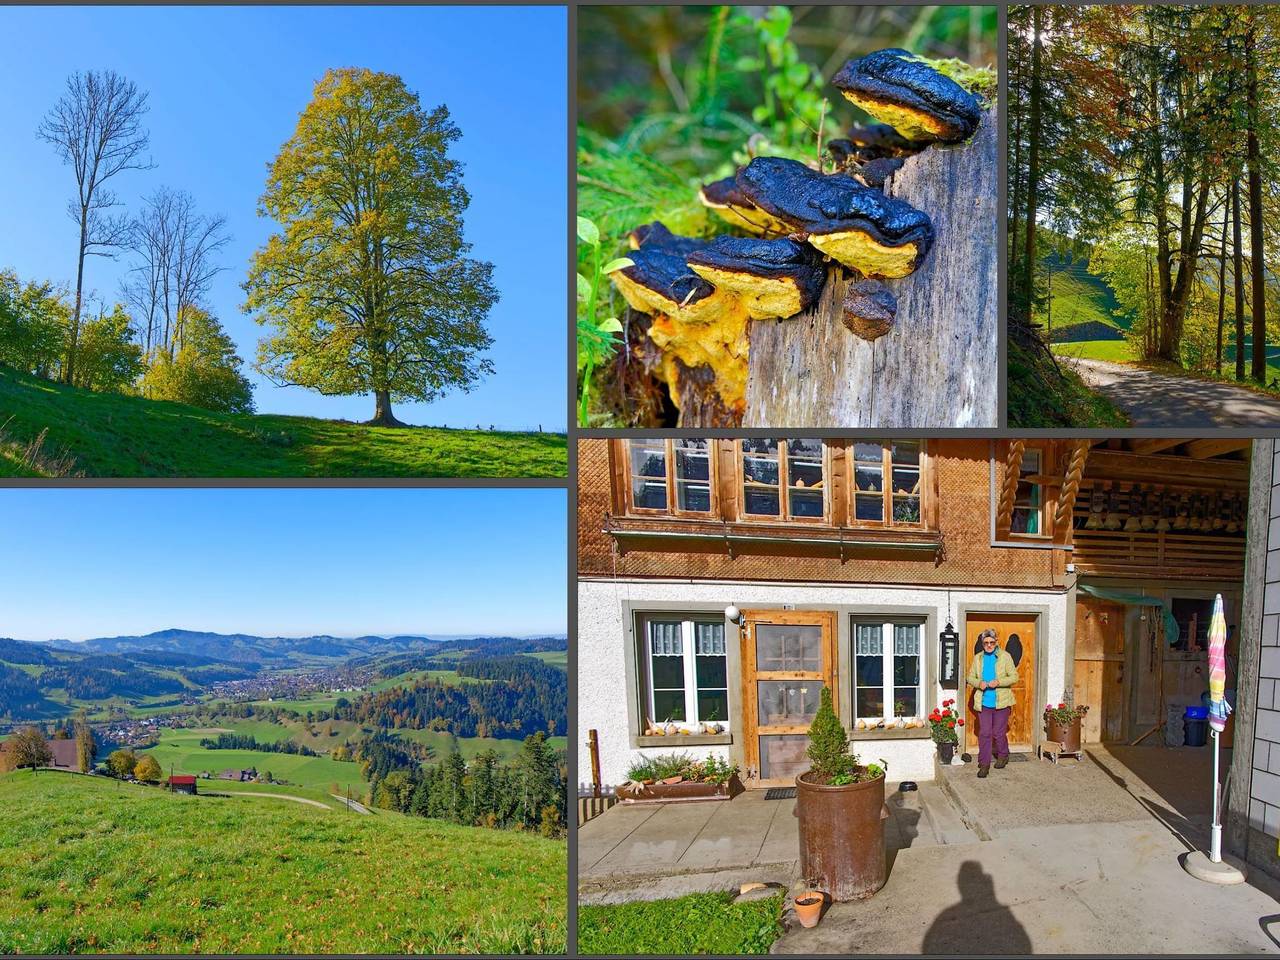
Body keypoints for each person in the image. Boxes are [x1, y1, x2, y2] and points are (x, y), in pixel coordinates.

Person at [966, 627, 1018, 778]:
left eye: (992, 642)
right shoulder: (978, 658)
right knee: (985, 733)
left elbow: (1014, 677)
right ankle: (984, 764)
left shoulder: (1005, 656)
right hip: (983, 702)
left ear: (996, 642)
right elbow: (970, 677)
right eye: (986, 642)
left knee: (998, 732)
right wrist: (978, 683)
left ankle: (1003, 755)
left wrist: (999, 682)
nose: (989, 645)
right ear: (982, 643)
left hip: (1001, 701)